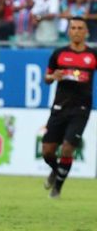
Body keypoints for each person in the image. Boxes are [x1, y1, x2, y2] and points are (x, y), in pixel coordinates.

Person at [41, 17, 96, 199]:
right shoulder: (59, 54)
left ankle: (57, 188)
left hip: (81, 109)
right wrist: (53, 76)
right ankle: (56, 171)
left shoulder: (93, 55)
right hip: (59, 107)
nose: (77, 31)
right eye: (73, 28)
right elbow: (46, 78)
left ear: (86, 32)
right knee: (47, 151)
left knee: (67, 149)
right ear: (69, 31)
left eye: (81, 28)